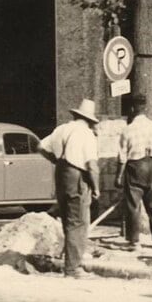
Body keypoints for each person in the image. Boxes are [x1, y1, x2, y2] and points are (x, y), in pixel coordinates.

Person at [39, 98, 100, 278]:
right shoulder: (86, 134)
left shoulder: (62, 129)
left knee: (67, 219)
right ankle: (73, 268)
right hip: (77, 175)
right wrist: (96, 188)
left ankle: (70, 261)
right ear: (89, 120)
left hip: (61, 173)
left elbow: (40, 146)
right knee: (79, 221)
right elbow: (91, 165)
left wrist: (54, 159)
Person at [114, 94, 152, 251]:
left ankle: (135, 241)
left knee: (133, 205)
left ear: (132, 108)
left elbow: (122, 156)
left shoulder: (128, 130)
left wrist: (118, 177)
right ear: (144, 108)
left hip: (135, 167)